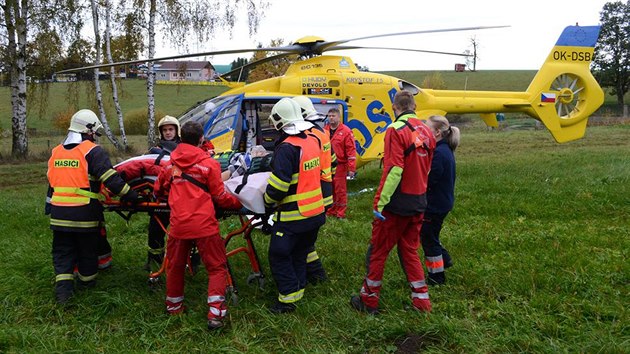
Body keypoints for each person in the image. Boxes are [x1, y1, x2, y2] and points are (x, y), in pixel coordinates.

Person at [350, 90, 436, 314]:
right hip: (419, 201)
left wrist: (380, 202)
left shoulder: (394, 131)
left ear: (395, 108)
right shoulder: (428, 130)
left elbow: (394, 169)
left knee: (378, 251)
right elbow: (427, 168)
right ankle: (422, 302)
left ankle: (368, 301)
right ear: (414, 106)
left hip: (397, 205)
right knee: (409, 251)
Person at [154, 121, 242, 330]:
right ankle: (215, 315)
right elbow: (220, 196)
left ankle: (173, 307)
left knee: (175, 267)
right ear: (201, 139)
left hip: (178, 225)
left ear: (181, 138)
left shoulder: (169, 164)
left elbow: (159, 190)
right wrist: (238, 203)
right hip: (204, 225)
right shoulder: (209, 165)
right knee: (216, 268)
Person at [46, 109, 138, 304]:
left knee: (62, 252)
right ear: (88, 131)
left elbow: (51, 185)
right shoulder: (92, 151)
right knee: (87, 250)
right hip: (84, 214)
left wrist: (49, 208)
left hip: (58, 214)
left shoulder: (56, 152)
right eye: (94, 134)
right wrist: (131, 196)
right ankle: (87, 285)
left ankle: (63, 293)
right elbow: (111, 179)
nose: (94, 138)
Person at [263, 98, 325, 314]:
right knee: (300, 252)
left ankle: (287, 301)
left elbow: (278, 187)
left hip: (293, 216)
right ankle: (299, 289)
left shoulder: (286, 148)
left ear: (279, 122)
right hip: (315, 212)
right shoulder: (311, 140)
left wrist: (267, 202)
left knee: (279, 255)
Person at [420, 115, 460, 285]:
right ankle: (445, 258)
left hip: (435, 205)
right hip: (442, 202)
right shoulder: (444, 149)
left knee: (429, 239)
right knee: (431, 235)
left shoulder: (439, 153)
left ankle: (437, 276)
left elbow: (429, 180)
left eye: (427, 128)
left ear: (437, 132)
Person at [144, 115, 181, 271]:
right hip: (160, 197)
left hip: (180, 198)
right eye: (165, 130)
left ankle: (190, 260)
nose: (168, 133)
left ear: (177, 130)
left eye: (171, 129)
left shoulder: (185, 149)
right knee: (155, 231)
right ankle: (155, 260)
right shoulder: (155, 151)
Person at [326, 107, 356, 219]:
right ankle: (331, 210)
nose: (331, 118)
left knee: (340, 190)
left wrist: (352, 169)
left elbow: (351, 151)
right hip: (327, 165)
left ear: (339, 117)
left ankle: (341, 213)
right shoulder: (325, 130)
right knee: (330, 189)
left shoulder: (346, 131)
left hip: (340, 165)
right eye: (329, 116)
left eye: (333, 116)